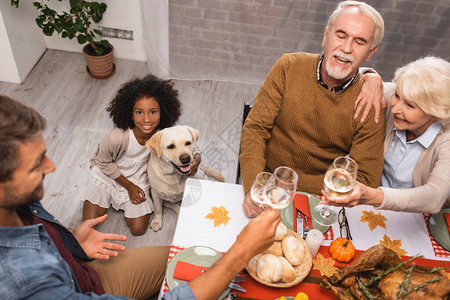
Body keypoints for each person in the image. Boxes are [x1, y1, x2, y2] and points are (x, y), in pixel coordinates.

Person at [0, 95, 281, 299]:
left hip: (82, 269)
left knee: (190, 259)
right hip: (91, 289)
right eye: (36, 164)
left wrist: (70, 242)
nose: (51, 167)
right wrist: (242, 251)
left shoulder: (19, 203)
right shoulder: (23, 278)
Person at [240, 0, 386, 217]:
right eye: (341, 35)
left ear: (370, 53)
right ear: (325, 36)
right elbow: (255, 129)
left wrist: (288, 185)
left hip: (320, 201)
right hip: (266, 188)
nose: (346, 48)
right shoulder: (289, 67)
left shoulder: (370, 100)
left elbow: (366, 179)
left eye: (359, 42)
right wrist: (256, 186)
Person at [323, 56, 450, 214]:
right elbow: (356, 78)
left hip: (416, 221)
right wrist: (372, 77)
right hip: (367, 209)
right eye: (397, 96)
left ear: (436, 114)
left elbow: (434, 197)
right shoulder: (392, 97)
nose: (395, 108)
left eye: (410, 106)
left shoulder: (446, 141)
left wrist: (374, 196)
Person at [82, 74, 200, 236]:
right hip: (108, 176)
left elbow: (186, 141)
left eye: (153, 112)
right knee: (89, 222)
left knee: (138, 230)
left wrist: (197, 159)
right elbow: (103, 162)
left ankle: (125, 203)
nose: (146, 119)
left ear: (162, 111)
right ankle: (105, 197)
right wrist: (129, 187)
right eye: (139, 112)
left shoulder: (163, 135)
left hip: (138, 178)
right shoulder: (117, 137)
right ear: (130, 113)